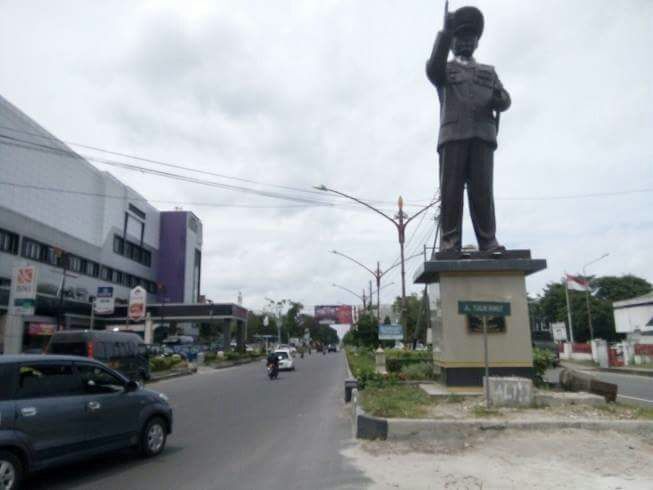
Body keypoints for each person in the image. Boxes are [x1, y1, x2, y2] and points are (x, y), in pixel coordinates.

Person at [426, 6, 511, 253]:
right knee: (451, 192)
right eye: (459, 37)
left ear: (476, 42)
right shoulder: (444, 69)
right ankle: (450, 242)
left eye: (470, 37)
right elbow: (433, 69)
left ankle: (488, 241)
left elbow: (505, 98)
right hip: (453, 136)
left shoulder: (488, 71)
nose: (465, 41)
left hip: (483, 137)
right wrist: (444, 32)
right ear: (451, 42)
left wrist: (500, 100)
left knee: (482, 192)